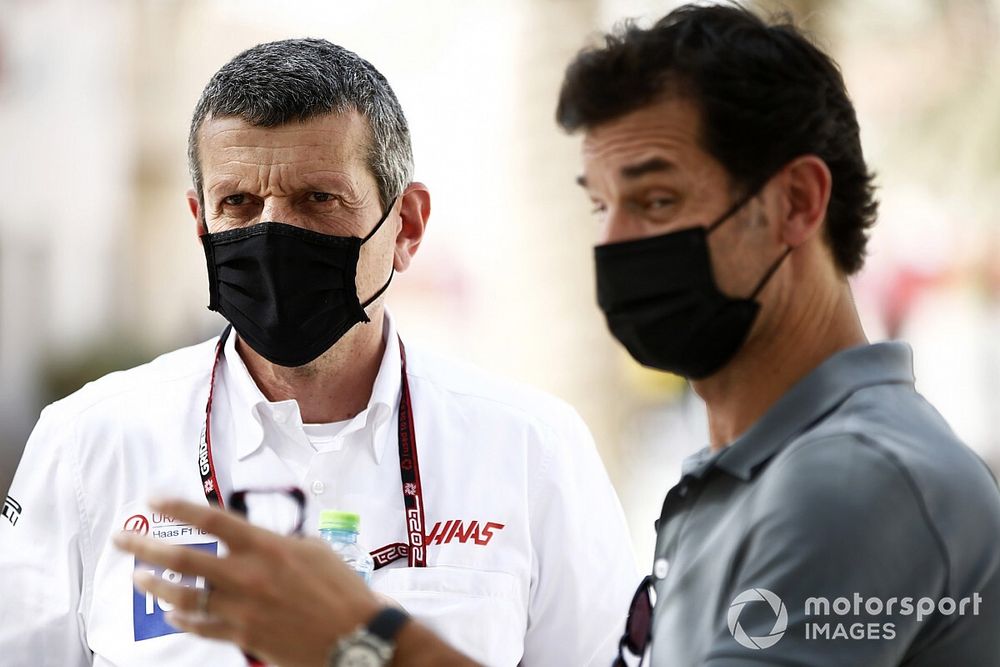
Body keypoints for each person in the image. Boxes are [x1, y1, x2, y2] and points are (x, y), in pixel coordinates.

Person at [118, 4, 1000, 666]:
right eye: (600, 204)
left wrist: (359, 640)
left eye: (656, 199)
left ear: (798, 204)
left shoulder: (851, 481)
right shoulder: (750, 479)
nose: (613, 243)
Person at [0, 38, 639, 666]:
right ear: (201, 223)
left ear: (406, 225)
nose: (274, 233)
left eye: (319, 200)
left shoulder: (532, 450)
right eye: (239, 203)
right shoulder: (86, 442)